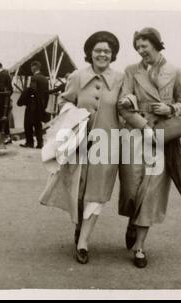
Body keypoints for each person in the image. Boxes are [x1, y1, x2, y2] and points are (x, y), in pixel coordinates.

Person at [39, 31, 123, 264]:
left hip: (107, 144)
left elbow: (125, 108)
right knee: (77, 190)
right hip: (78, 143)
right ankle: (79, 225)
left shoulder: (120, 79)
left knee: (97, 194)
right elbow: (65, 100)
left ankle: (84, 241)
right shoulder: (76, 76)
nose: (103, 54)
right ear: (90, 53)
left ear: (113, 54)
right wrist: (73, 114)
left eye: (107, 51)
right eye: (98, 50)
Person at [118, 27, 181, 268]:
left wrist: (171, 109)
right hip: (135, 135)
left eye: (144, 46)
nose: (140, 51)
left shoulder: (176, 71)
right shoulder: (130, 71)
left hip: (163, 138)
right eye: (137, 47)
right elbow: (123, 103)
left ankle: (139, 246)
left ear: (157, 45)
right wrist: (129, 103)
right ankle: (132, 220)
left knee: (151, 192)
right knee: (132, 188)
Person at [17, 75, 45, 148]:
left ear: (30, 82)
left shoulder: (27, 90)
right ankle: (40, 144)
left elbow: (19, 103)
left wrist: (26, 102)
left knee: (28, 127)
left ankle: (30, 143)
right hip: (38, 111)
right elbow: (43, 102)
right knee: (38, 127)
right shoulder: (40, 91)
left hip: (29, 111)